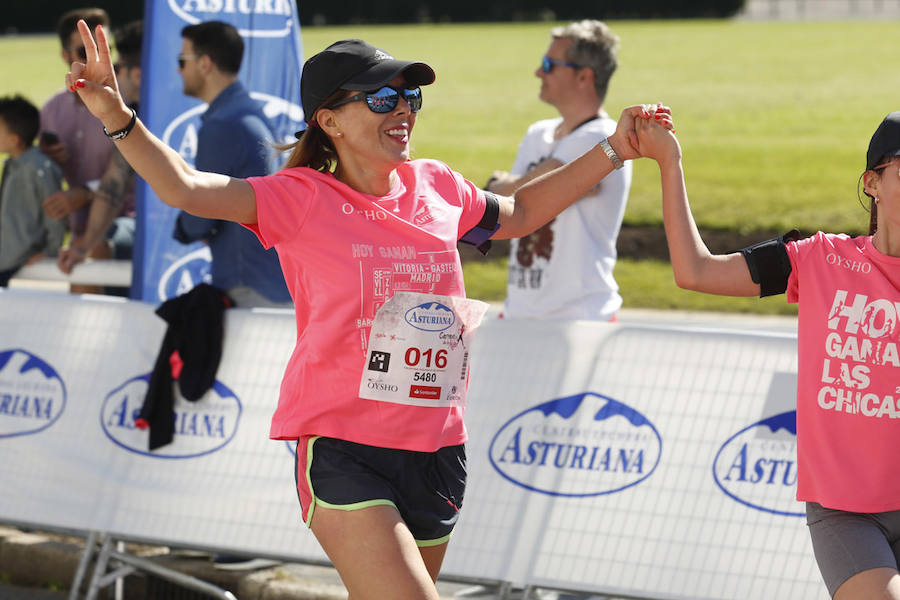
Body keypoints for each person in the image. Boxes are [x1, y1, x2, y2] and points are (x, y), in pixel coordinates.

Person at [67, 20, 670, 598]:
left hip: (437, 448)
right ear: (330, 120)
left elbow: (521, 215)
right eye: (382, 98)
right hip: (342, 446)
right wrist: (116, 117)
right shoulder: (299, 198)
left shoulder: (438, 185)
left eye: (410, 96)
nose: (403, 109)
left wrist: (614, 149)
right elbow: (184, 188)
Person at [636, 111, 900, 599]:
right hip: (847, 510)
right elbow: (695, 271)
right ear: (873, 182)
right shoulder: (818, 257)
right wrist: (670, 163)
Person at [486, 20, 631, 320]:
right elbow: (510, 202)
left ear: (583, 77)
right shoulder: (537, 133)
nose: (539, 72)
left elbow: (511, 195)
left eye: (549, 64)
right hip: (520, 313)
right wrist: (519, 184)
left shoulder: (602, 138)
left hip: (579, 319)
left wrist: (504, 183)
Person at [172, 20, 290, 309]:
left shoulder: (224, 124)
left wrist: (184, 229)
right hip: (273, 279)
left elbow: (200, 210)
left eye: (182, 60)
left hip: (249, 284)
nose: (178, 69)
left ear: (205, 64)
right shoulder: (247, 111)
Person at [57, 19, 142, 277]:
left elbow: (113, 184)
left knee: (93, 251)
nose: (109, 73)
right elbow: (114, 181)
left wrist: (86, 246)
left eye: (115, 67)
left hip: (163, 227)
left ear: (135, 72)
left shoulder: (142, 110)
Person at [40, 7, 115, 240]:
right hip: (76, 230)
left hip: (123, 221)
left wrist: (86, 193)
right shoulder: (51, 109)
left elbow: (138, 175)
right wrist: (47, 159)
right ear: (64, 55)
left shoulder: (128, 103)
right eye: (85, 50)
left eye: (105, 50)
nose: (97, 59)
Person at [0, 95, 65, 286]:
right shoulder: (12, 164)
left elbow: (55, 213)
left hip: (16, 258)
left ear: (15, 139)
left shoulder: (40, 168)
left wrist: (50, 251)